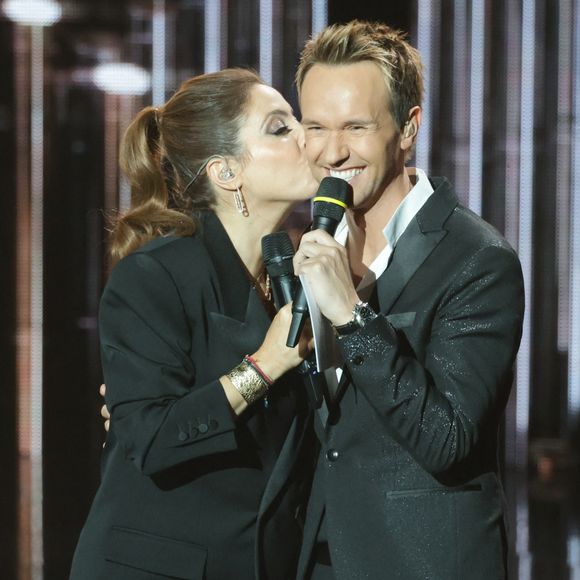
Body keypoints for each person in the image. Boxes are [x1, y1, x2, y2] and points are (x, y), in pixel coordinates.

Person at [291, 21, 525, 580]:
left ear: (408, 127)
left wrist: (352, 315)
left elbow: (448, 438)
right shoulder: (317, 244)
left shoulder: (477, 258)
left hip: (422, 561)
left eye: (356, 126)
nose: (331, 150)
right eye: (315, 127)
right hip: (322, 558)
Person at [69, 68, 319, 580]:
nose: (306, 136)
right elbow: (151, 437)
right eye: (279, 127)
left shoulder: (294, 274)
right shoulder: (156, 273)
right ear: (226, 173)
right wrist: (266, 365)